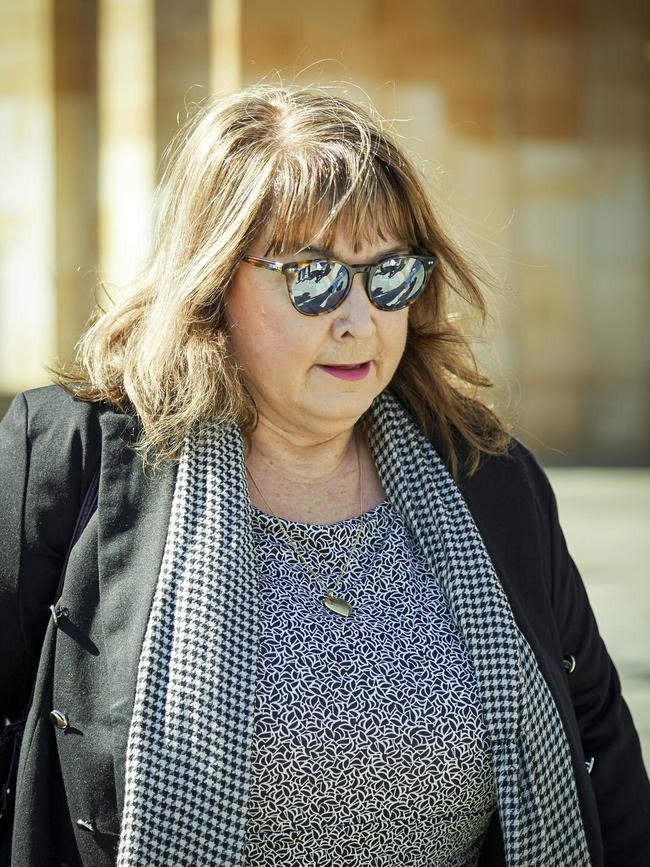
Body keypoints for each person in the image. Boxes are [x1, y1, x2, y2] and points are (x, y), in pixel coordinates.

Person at [0, 84, 648, 867]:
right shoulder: (65, 458)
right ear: (212, 284)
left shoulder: (491, 477)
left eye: (390, 276)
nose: (358, 318)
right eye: (313, 276)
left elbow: (600, 743)